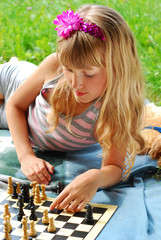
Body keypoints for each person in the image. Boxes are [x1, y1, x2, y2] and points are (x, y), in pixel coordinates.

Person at [0, 4, 145, 212]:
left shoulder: (119, 108)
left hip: (19, 120)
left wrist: (96, 177)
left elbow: (113, 168)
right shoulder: (54, 66)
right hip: (13, 85)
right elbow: (14, 105)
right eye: (69, 69)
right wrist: (26, 156)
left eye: (89, 73)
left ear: (117, 66)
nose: (76, 84)